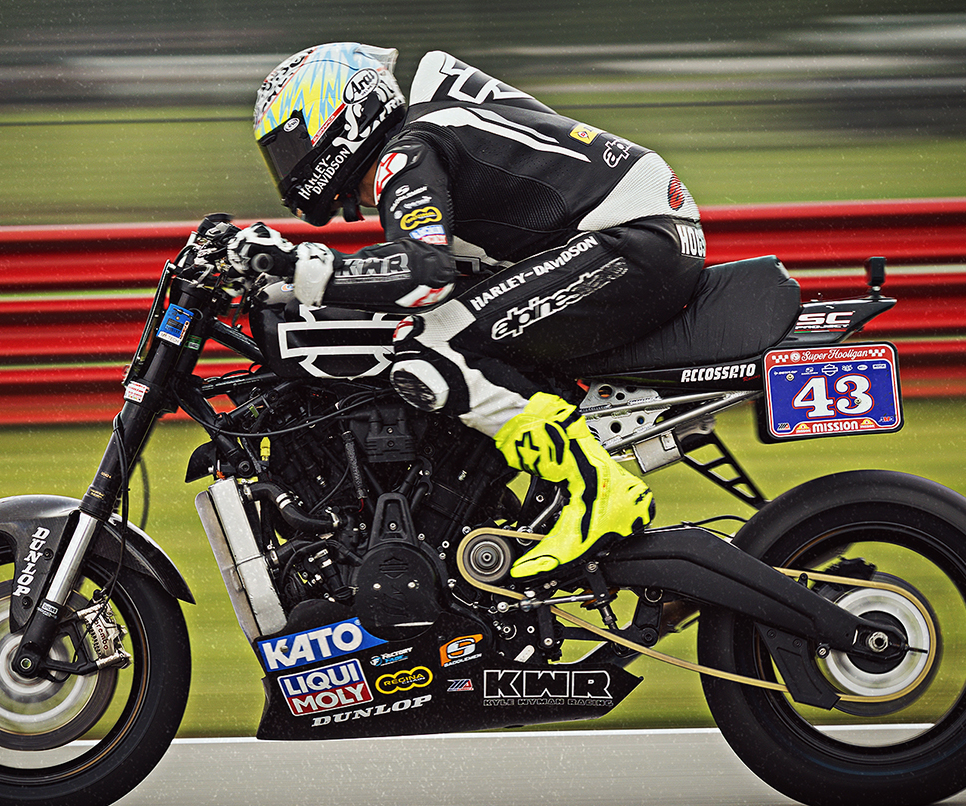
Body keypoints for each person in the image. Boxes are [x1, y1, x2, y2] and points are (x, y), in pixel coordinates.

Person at [228, 42, 706, 583]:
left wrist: (295, 263)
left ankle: (599, 489)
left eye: (291, 145)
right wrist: (288, 279)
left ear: (340, 116)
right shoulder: (425, 137)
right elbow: (421, 268)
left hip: (635, 243)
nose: (288, 166)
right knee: (442, 330)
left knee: (427, 346)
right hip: (642, 239)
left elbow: (424, 273)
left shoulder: (408, 152)